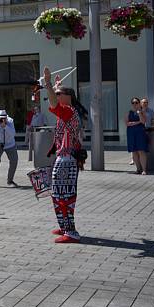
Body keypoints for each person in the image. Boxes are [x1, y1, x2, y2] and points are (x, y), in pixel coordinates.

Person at [42, 66, 87, 243]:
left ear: (68, 97)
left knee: (64, 194)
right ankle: (64, 226)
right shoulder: (67, 111)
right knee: (58, 193)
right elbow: (55, 103)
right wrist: (56, 86)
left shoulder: (69, 111)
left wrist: (48, 84)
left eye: (60, 93)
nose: (56, 96)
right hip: (64, 158)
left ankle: (71, 230)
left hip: (67, 159)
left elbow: (53, 104)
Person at [126, 97, 148, 175]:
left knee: (141, 150)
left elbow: (143, 121)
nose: (135, 104)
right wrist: (137, 122)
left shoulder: (142, 112)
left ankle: (144, 170)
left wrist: (139, 114)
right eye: (133, 103)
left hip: (140, 133)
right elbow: (127, 123)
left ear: (139, 103)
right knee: (134, 151)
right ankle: (138, 169)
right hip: (131, 133)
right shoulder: (129, 112)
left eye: (136, 102)